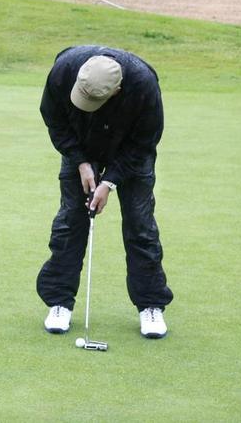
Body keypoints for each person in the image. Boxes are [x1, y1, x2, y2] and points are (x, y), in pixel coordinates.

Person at [37, 45, 174, 339]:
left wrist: (109, 182)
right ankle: (59, 302)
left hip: (130, 150)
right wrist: (80, 162)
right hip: (80, 144)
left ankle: (151, 305)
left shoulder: (144, 86)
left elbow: (143, 144)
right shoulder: (64, 70)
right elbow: (54, 119)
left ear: (117, 91)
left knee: (140, 225)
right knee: (70, 221)